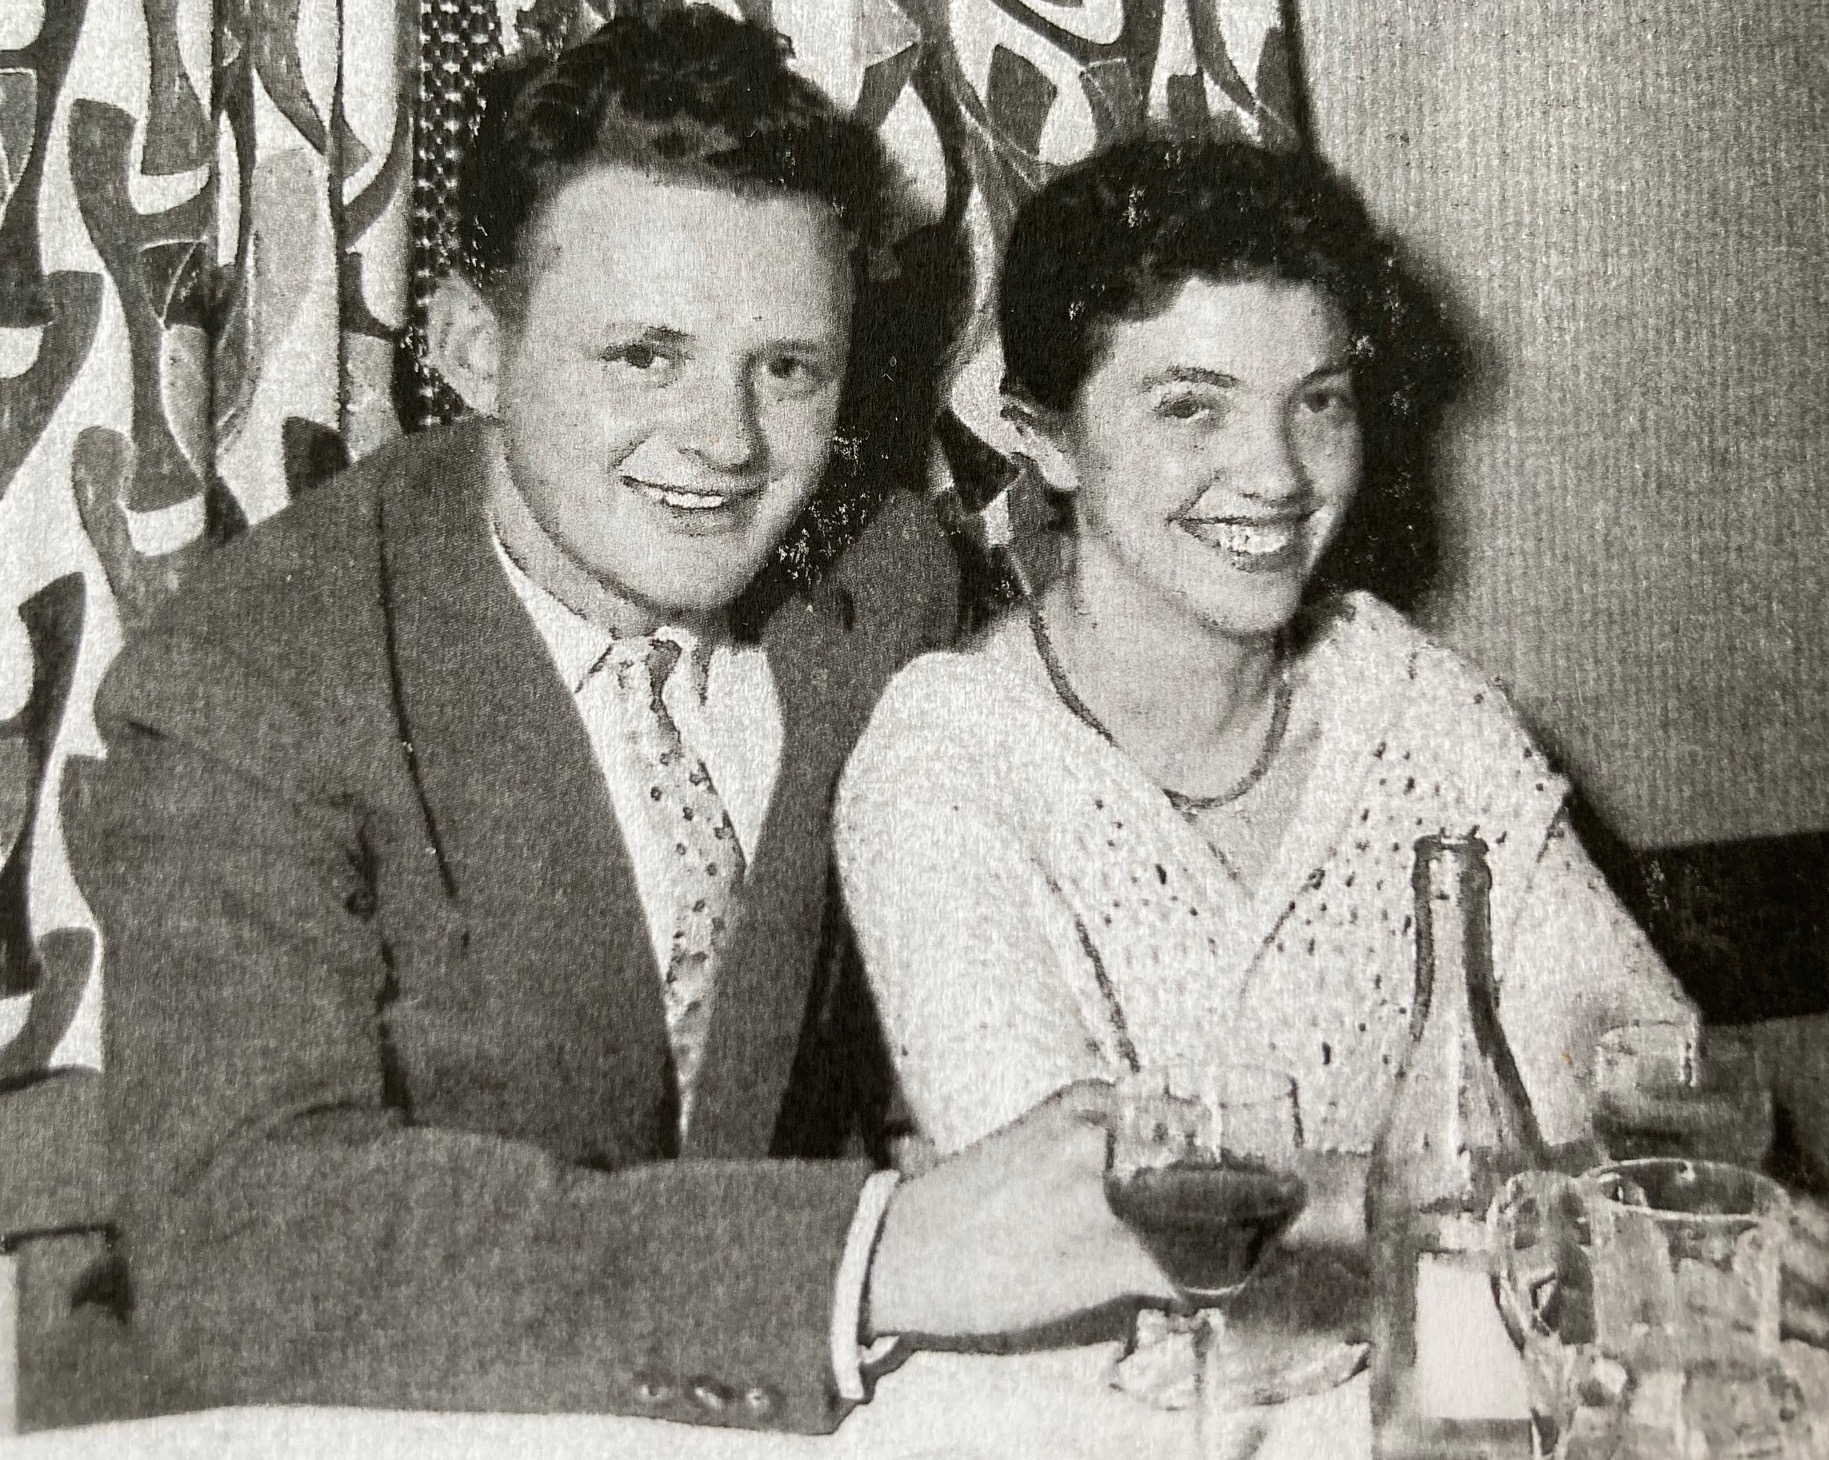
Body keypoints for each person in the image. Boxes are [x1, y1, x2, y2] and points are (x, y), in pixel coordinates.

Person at [64, 9, 1174, 1433]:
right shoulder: (256, 671)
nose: (725, 442)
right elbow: (243, 1245)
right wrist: (869, 1256)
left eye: (788, 368)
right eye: (645, 356)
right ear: (472, 348)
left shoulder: (886, 585)